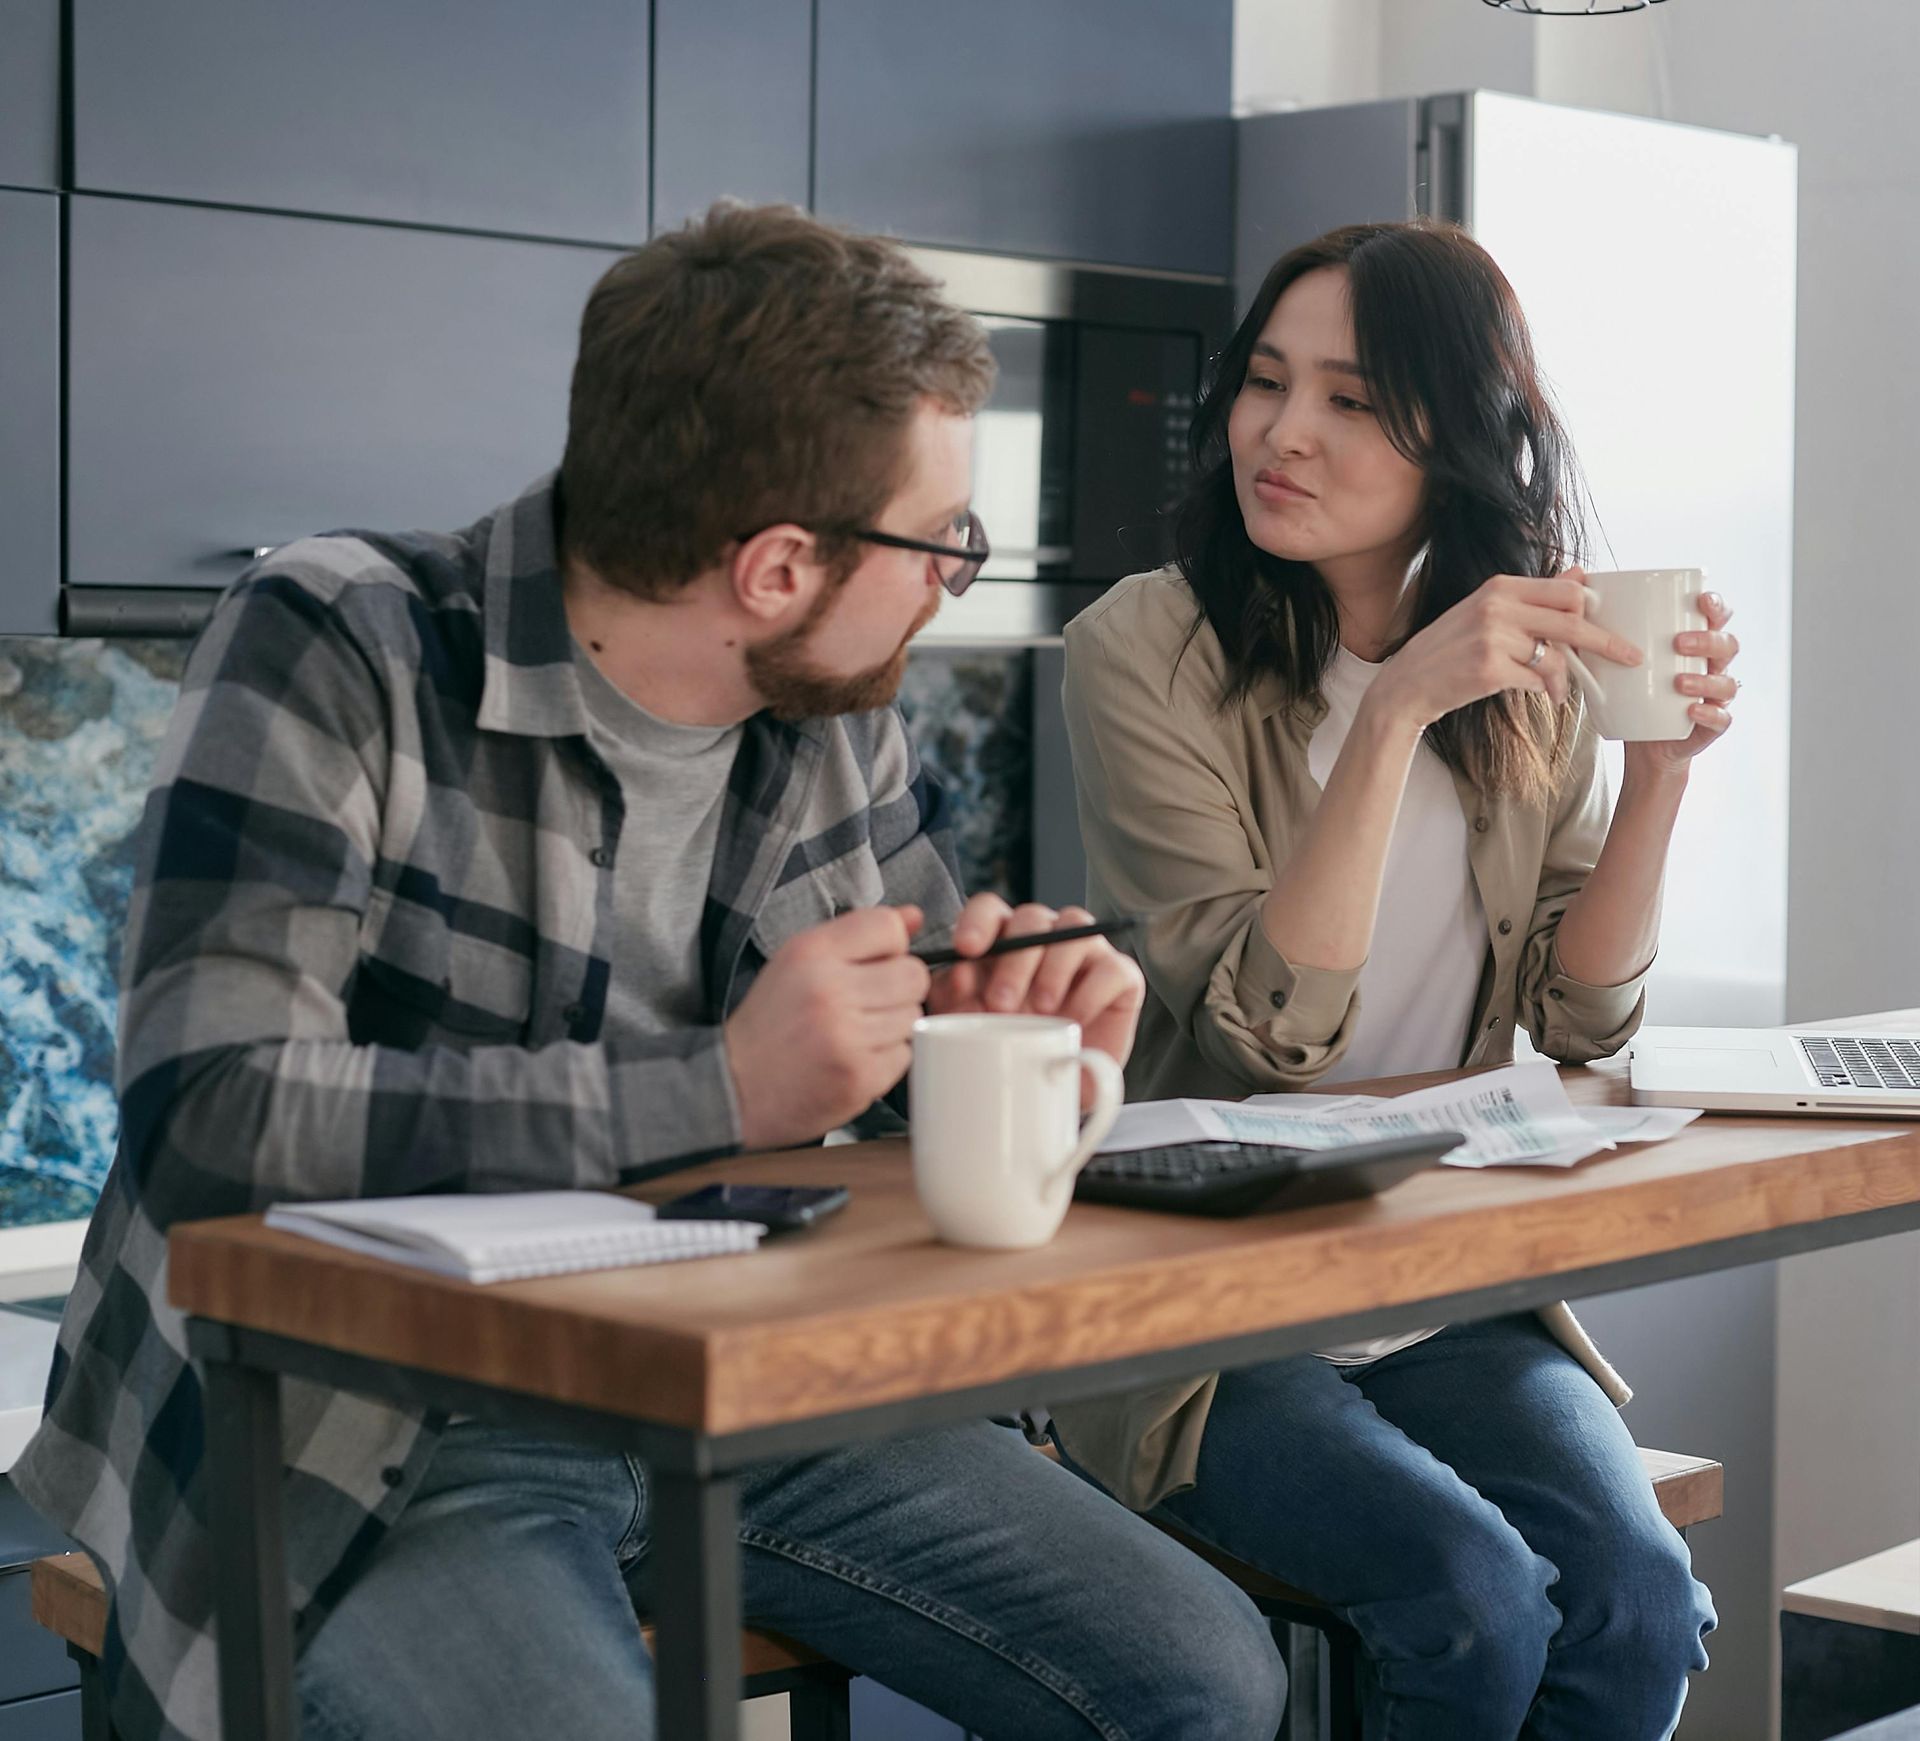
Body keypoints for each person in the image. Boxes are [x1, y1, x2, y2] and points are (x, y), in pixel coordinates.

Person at [14, 202, 1290, 1741]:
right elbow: (209, 1113)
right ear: (772, 566)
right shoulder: (345, 641)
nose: (959, 573)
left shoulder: (833, 706)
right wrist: (725, 1084)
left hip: (740, 1370)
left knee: (1205, 1670)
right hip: (374, 1427)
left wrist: (1022, 1035)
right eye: (944, 535)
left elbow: (905, 1052)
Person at [1050, 219, 1729, 1738]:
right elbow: (1265, 1030)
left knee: (1632, 1599)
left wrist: (1661, 777)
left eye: (1352, 402)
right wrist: (1396, 708)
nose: (1283, 433)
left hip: (1441, 1282)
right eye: (1266, 383)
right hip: (1210, 1315)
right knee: (1472, 1598)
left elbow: (1582, 1024)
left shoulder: (1531, 670)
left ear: (1458, 441)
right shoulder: (1139, 651)